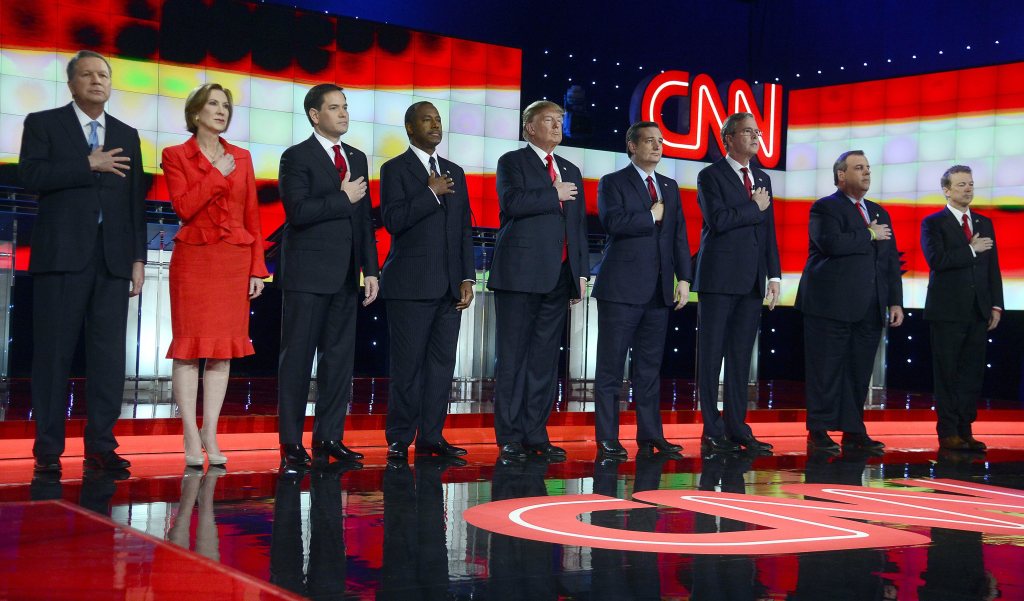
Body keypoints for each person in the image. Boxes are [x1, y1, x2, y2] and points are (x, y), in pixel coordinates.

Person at [19, 50, 146, 473]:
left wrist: (137, 259)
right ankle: (49, 452)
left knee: (109, 356)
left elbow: (134, 203)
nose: (97, 81)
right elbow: (30, 177)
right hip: (61, 257)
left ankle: (101, 446)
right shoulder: (44, 124)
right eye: (88, 75)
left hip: (112, 260)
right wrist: (86, 164)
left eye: (104, 75)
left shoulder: (127, 133)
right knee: (54, 354)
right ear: (72, 83)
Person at [161, 83, 268, 468]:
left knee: (223, 351)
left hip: (233, 261)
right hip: (194, 259)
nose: (221, 111)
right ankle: (190, 432)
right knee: (190, 348)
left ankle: (211, 430)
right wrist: (217, 175)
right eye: (213, 104)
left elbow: (252, 215)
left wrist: (258, 267)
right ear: (196, 113)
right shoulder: (175, 155)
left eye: (226, 105)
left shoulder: (243, 156)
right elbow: (185, 207)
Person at [277, 83, 379, 469]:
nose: (344, 114)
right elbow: (297, 211)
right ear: (314, 115)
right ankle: (291, 445)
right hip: (306, 275)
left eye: (346, 107)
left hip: (345, 277)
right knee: (298, 361)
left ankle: (329, 438)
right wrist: (342, 197)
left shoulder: (356, 158)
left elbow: (364, 221)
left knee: (338, 361)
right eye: (334, 108)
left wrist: (371, 269)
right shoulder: (296, 157)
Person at [488, 100, 589, 461]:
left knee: (545, 360)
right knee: (513, 357)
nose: (556, 125)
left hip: (558, 277)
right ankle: (510, 436)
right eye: (548, 120)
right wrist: (553, 194)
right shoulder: (512, 162)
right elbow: (511, 203)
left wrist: (579, 274)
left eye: (560, 120)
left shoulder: (570, 168)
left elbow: (576, 227)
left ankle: (535, 433)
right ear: (529, 127)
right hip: (519, 274)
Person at [379, 101, 474, 461]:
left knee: (441, 367)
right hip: (410, 286)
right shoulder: (395, 169)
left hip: (451, 288)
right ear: (409, 127)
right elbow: (394, 219)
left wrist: (467, 276)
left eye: (438, 120)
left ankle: (432, 436)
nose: (435, 125)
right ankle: (400, 439)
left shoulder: (455, 172)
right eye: (427, 120)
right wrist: (430, 192)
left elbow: (463, 227)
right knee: (408, 367)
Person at [592, 121, 690, 459]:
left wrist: (684, 280)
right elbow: (613, 222)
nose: (657, 146)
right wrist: (649, 216)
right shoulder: (613, 182)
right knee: (610, 369)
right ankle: (607, 438)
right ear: (632, 146)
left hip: (660, 290)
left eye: (661, 141)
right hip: (620, 290)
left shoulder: (670, 186)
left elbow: (679, 236)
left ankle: (651, 435)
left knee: (649, 369)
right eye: (649, 141)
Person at [796, 150, 904, 453]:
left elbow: (890, 262)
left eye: (868, 168)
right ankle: (818, 430)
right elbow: (829, 243)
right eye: (859, 168)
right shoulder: (825, 208)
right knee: (825, 370)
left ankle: (854, 430)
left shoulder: (879, 211)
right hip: (828, 305)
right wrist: (868, 234)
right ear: (841, 175)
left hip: (870, 307)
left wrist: (895, 301)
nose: (867, 172)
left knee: (859, 372)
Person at [692, 112, 780, 454]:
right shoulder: (710, 175)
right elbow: (718, 221)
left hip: (753, 280)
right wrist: (753, 206)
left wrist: (773, 275)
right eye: (747, 131)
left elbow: (767, 231)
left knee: (741, 358)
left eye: (757, 131)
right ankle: (711, 431)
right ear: (728, 139)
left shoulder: (762, 178)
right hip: (718, 277)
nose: (756, 136)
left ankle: (737, 428)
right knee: (712, 356)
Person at [921, 165, 1003, 451]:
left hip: (978, 310)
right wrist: (970, 250)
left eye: (970, 184)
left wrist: (996, 304)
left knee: (971, 373)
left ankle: (966, 428)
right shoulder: (933, 223)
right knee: (947, 373)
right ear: (947, 190)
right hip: (947, 311)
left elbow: (993, 267)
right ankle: (948, 432)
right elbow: (937, 260)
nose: (968, 189)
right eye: (961, 185)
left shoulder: (983, 222)